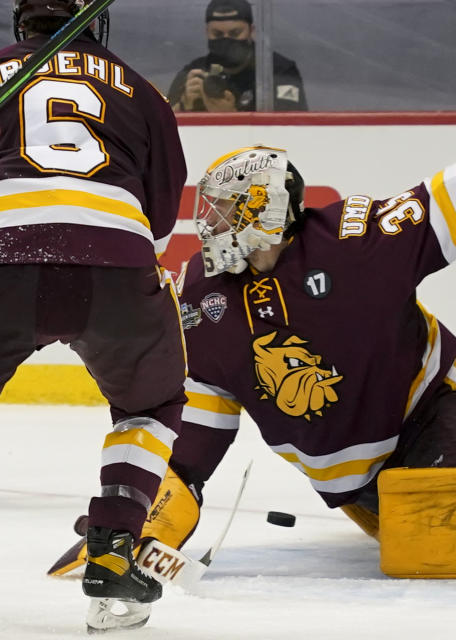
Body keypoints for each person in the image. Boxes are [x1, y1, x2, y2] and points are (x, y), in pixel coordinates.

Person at [50, 80, 456, 565]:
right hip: (352, 487)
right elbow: (193, 449)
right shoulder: (201, 303)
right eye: (208, 212)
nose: (208, 226)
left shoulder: (356, 238)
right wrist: (138, 527)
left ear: (267, 206)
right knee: (433, 554)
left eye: (225, 211)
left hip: (427, 414)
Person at [0, 0, 188, 632]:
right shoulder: (140, 87)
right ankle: (113, 552)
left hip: (4, 256)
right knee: (151, 404)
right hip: (115, 259)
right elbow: (162, 215)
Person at [167, 0, 307, 113]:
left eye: (235, 33)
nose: (226, 40)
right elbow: (160, 128)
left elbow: (291, 132)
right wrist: (184, 106)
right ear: (206, 32)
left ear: (251, 31)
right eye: (217, 34)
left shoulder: (276, 71)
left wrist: (231, 116)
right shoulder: (194, 73)